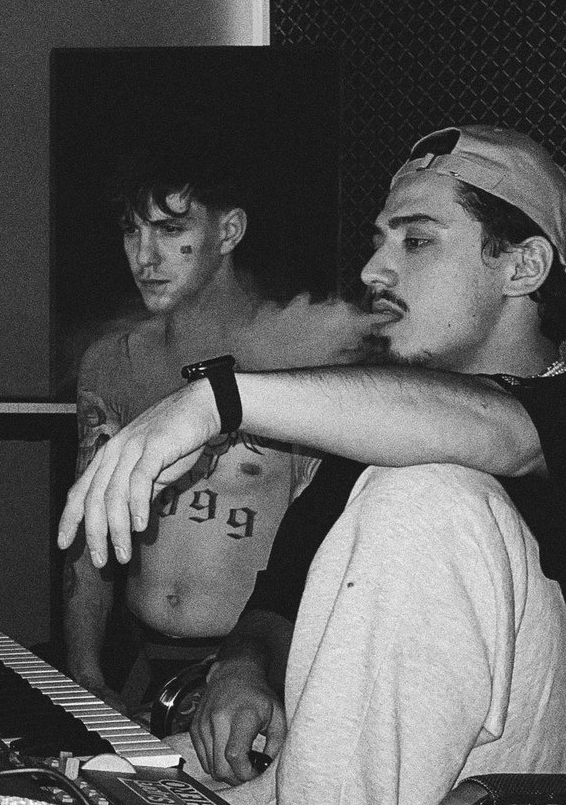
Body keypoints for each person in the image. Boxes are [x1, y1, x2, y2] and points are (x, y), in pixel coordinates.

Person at [57, 125, 566, 805]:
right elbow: (278, 602)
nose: (377, 270)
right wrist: (244, 665)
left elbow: (499, 434)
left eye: (416, 241)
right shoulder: (368, 437)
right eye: (380, 241)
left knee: (428, 491)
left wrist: (217, 401)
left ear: (523, 265)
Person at [63, 132, 383, 721]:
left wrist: (268, 672)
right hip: (143, 663)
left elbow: (332, 541)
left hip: (256, 669)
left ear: (229, 232)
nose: (144, 257)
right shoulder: (114, 362)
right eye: (132, 231)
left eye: (170, 230)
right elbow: (89, 532)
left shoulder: (304, 354)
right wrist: (86, 671)